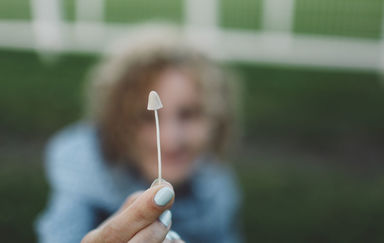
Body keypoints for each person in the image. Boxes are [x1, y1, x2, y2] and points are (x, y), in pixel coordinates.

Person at [35, 26, 242, 243]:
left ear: (217, 118)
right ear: (116, 121)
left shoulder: (216, 185)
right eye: (146, 117)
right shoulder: (82, 182)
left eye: (189, 114)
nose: (171, 140)